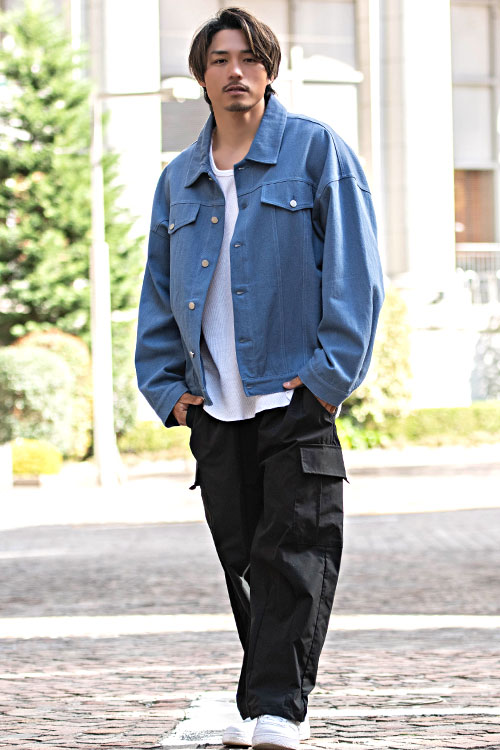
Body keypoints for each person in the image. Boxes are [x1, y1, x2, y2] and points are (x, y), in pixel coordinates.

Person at [135, 7, 384, 749]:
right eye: (220, 59)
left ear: (269, 71)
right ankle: (265, 702)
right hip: (215, 406)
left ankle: (278, 711)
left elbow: (356, 274)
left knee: (297, 550)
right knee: (245, 559)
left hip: (295, 393)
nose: (235, 71)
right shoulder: (178, 180)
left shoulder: (315, 150)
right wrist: (167, 392)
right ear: (201, 76)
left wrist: (328, 379)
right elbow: (156, 293)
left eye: (249, 58)